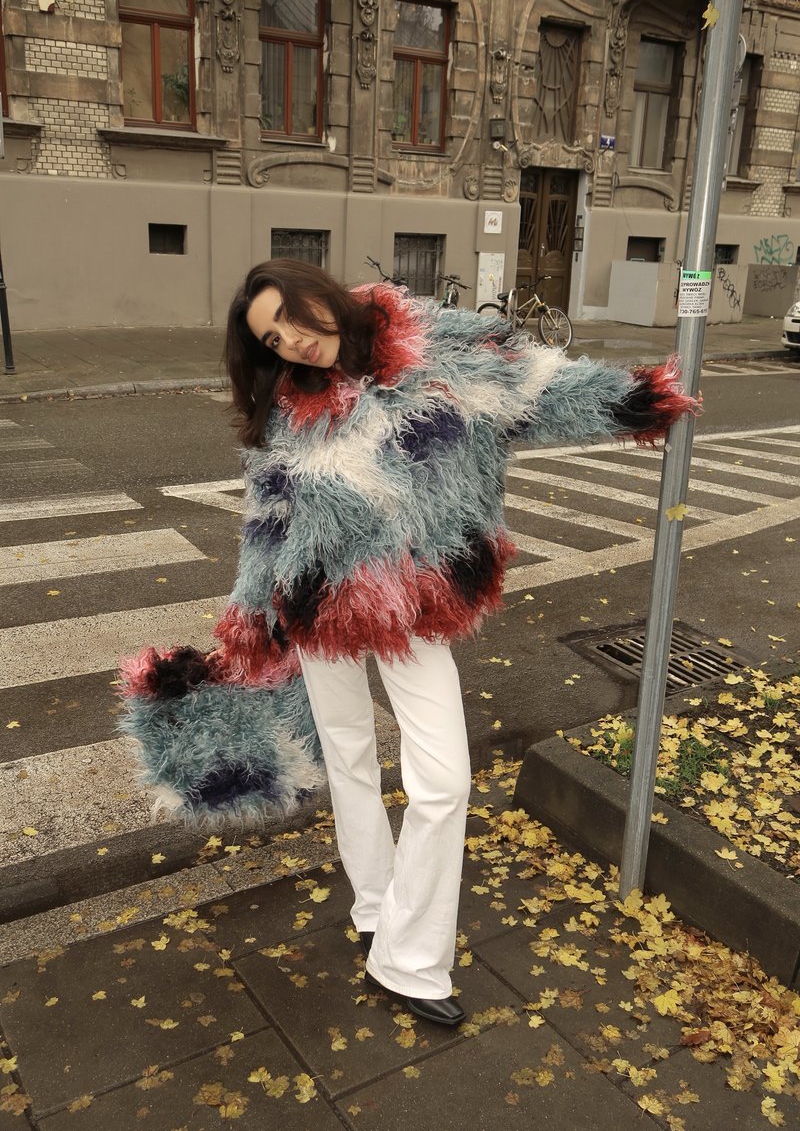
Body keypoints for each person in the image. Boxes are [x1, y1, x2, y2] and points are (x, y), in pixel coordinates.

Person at [122, 259, 697, 1028]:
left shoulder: (436, 348)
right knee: (347, 754)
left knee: (444, 779)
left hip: (415, 601)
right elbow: (266, 525)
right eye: (273, 337)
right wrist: (251, 623)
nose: (294, 341)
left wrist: (640, 400)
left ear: (320, 294)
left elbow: (535, 388)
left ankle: (409, 957)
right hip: (320, 605)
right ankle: (374, 906)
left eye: (294, 317)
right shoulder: (287, 406)